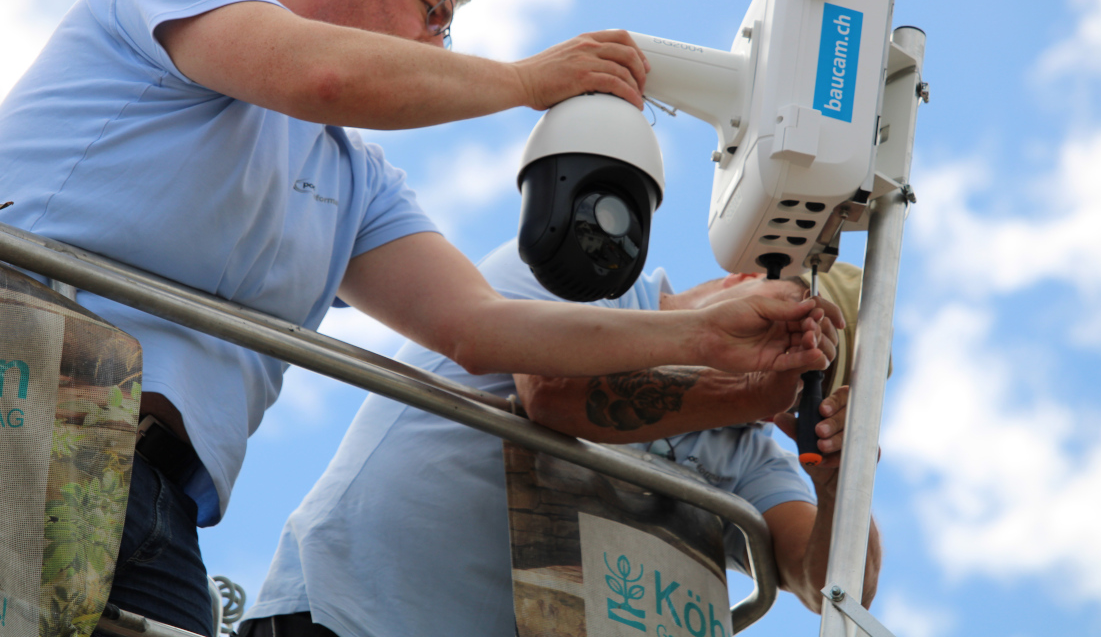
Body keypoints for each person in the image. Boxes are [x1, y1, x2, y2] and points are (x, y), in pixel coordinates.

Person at [0, 0, 839, 636]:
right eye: (433, 12)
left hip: (160, 506)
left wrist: (705, 342)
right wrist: (523, 82)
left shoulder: (354, 182)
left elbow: (480, 328)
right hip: (21, 401)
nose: (436, 46)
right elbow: (323, 76)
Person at [239, 239, 881, 637]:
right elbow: (550, 391)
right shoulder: (590, 266)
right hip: (350, 619)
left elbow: (827, 585)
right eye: (787, 329)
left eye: (810, 374)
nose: (784, 364)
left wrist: (840, 485)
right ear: (746, 285)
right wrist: (742, 387)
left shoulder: (748, 451)